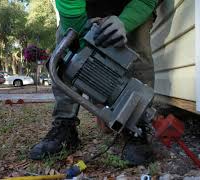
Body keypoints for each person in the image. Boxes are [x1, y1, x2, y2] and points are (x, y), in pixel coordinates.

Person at [29, 0, 157, 165]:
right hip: (87, 6)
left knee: (137, 43)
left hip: (133, 2)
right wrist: (82, 47)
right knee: (66, 45)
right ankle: (65, 124)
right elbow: (70, 6)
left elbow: (146, 1)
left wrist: (125, 23)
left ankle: (137, 125)